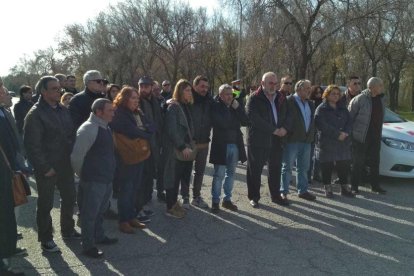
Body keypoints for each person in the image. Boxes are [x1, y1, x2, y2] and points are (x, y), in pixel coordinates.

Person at [24, 76, 79, 253]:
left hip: (65, 164)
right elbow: (32, 146)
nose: (59, 91)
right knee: (46, 204)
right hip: (48, 168)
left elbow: (70, 133)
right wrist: (45, 168)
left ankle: (68, 229)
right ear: (43, 91)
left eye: (59, 88)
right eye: (54, 88)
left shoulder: (62, 109)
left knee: (70, 198)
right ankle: (46, 239)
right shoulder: (35, 114)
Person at [71, 98, 118, 258]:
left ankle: (99, 236)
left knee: (100, 211)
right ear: (99, 112)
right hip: (93, 180)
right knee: (89, 214)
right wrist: (84, 175)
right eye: (110, 110)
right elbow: (77, 157)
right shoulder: (89, 129)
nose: (113, 113)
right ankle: (88, 246)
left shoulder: (105, 127)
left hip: (105, 178)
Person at [110, 86, 154, 234]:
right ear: (124, 98)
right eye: (133, 98)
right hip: (126, 156)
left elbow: (151, 127)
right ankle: (123, 221)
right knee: (126, 189)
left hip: (139, 154)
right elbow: (130, 130)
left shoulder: (138, 111)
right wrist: (145, 133)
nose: (136, 101)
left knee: (135, 187)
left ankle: (132, 216)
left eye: (137, 98)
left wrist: (144, 132)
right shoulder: (118, 113)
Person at [246, 72, 288, 208]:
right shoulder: (254, 98)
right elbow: (254, 119)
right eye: (270, 83)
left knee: (275, 168)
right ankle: (254, 197)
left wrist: (285, 129)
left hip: (277, 140)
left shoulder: (281, 97)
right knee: (255, 169)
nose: (273, 86)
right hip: (258, 140)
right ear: (262, 83)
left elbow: (288, 115)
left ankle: (275, 196)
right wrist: (274, 130)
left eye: (275, 83)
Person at [210, 84, 249, 213]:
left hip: (235, 144)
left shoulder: (234, 106)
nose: (229, 97)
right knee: (218, 175)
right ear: (220, 95)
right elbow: (222, 123)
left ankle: (227, 200)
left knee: (231, 174)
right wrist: (233, 119)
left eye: (230, 94)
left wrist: (238, 108)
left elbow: (245, 121)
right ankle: (215, 201)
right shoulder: (215, 106)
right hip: (221, 145)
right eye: (226, 94)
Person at [0, 84, 25, 275]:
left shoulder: (3, 111)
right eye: (2, 91)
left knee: (7, 214)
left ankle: (8, 248)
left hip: (7, 171)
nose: (6, 93)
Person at [162, 79, 194, 218]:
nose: (190, 93)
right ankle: (170, 207)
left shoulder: (185, 105)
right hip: (175, 149)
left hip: (184, 148)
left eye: (190, 90)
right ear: (180, 91)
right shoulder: (173, 107)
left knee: (180, 177)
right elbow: (172, 129)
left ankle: (174, 204)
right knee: (172, 179)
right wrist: (182, 146)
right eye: (187, 90)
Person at [280, 80, 317, 202]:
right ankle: (283, 192)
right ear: (299, 89)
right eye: (307, 88)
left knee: (304, 167)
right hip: (292, 140)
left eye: (309, 88)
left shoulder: (310, 103)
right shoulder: (288, 101)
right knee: (287, 167)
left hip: (307, 141)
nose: (309, 91)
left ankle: (303, 190)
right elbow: (283, 119)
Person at [349, 77, 387, 194]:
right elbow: (349, 117)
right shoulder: (360, 99)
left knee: (375, 162)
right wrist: (352, 135)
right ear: (372, 87)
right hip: (361, 137)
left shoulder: (382, 99)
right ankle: (354, 187)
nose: (382, 87)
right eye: (380, 85)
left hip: (375, 137)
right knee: (358, 163)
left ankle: (375, 186)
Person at [315, 85, 354, 198]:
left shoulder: (343, 108)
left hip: (343, 142)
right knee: (327, 165)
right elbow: (321, 125)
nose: (336, 96)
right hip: (328, 141)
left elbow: (349, 122)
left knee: (343, 165)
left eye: (338, 94)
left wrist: (346, 133)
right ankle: (327, 187)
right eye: (333, 94)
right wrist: (337, 134)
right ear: (327, 95)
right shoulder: (321, 108)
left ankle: (344, 187)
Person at [135, 76, 164, 223]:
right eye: (142, 86)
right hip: (142, 144)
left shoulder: (154, 100)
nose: (144, 89)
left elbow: (158, 120)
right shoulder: (136, 101)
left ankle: (145, 202)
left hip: (155, 143)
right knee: (141, 177)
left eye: (147, 86)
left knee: (149, 175)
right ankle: (138, 207)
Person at [308, 85, 323, 183]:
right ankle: (308, 176)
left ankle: (316, 174)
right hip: (311, 132)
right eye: (316, 93)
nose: (319, 94)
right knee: (309, 156)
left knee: (318, 156)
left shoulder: (323, 103)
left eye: (320, 92)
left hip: (320, 132)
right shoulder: (310, 103)